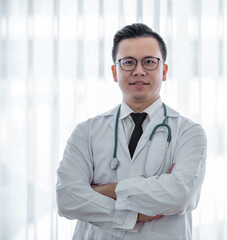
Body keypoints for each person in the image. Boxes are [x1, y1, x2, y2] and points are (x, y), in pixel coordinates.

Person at [56, 23, 207, 240]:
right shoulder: (86, 132)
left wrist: (105, 190)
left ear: (164, 71)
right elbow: (67, 198)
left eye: (149, 62)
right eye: (128, 62)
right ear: (114, 72)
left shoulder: (189, 132)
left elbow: (181, 194)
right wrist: (131, 215)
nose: (138, 70)